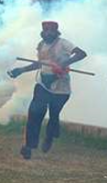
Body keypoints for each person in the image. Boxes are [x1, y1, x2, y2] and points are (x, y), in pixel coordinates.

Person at [8, 21, 87, 159]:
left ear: (56, 32)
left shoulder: (63, 44)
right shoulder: (41, 45)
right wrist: (21, 70)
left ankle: (50, 136)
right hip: (43, 84)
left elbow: (81, 54)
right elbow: (39, 64)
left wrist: (64, 63)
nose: (48, 33)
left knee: (54, 115)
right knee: (34, 113)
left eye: (51, 30)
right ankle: (29, 146)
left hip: (60, 88)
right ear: (42, 32)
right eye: (45, 30)